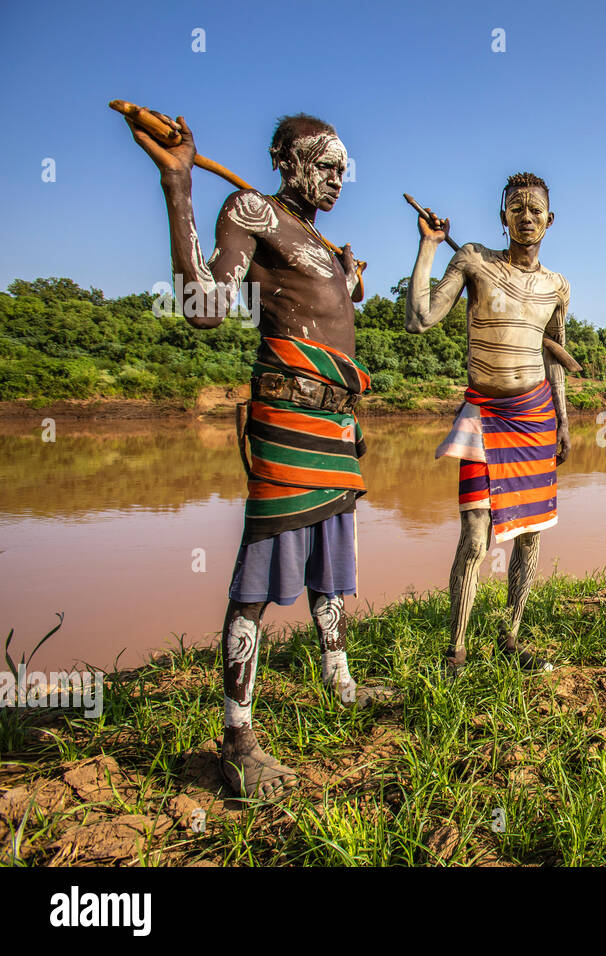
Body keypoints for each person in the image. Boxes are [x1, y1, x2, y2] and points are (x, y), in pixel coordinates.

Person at [127, 110, 387, 798]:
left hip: (335, 427)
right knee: (257, 581)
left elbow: (333, 303)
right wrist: (179, 184)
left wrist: (347, 273)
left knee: (330, 564)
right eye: (324, 164)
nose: (337, 178)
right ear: (285, 159)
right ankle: (237, 737)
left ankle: (341, 683)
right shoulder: (253, 212)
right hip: (287, 420)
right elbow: (205, 305)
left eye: (342, 168)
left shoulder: (319, 241)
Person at [406, 173, 571, 674]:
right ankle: (455, 651)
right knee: (475, 536)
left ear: (550, 219)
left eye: (535, 209)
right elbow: (419, 319)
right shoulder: (474, 260)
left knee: (531, 534)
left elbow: (555, 357)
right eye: (516, 208)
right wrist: (429, 247)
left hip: (537, 417)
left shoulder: (557, 286)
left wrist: (564, 420)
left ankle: (511, 636)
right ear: (503, 217)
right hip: (485, 415)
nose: (526, 217)